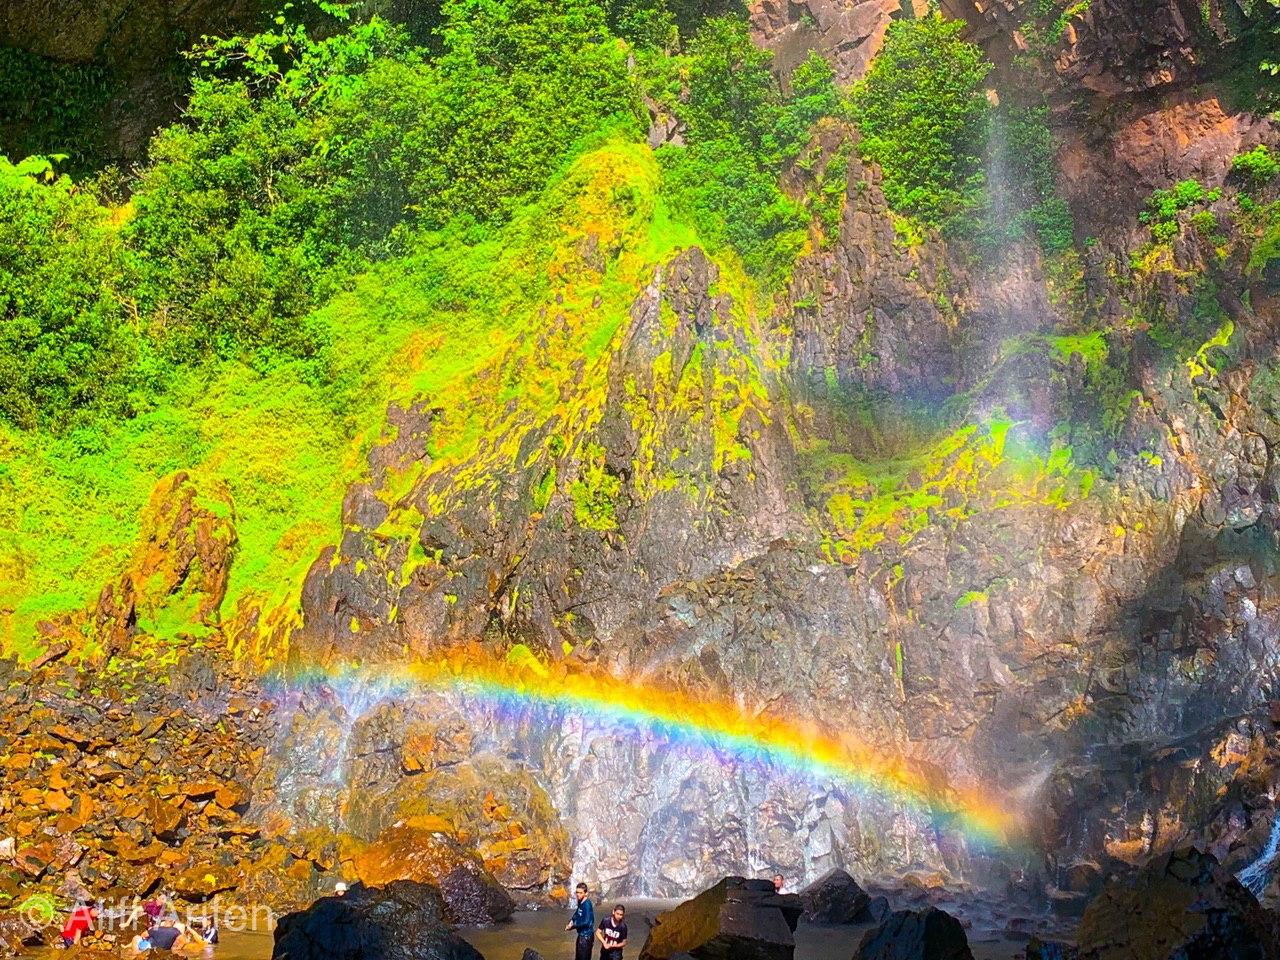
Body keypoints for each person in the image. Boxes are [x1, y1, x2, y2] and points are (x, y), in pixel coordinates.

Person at [564, 882, 595, 960]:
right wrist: (571, 920)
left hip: (586, 937)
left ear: (585, 893)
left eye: (580, 893)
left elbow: (586, 921)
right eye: (577, 892)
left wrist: (573, 926)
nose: (578, 895)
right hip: (581, 935)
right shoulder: (581, 901)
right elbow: (577, 912)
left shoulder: (587, 904)